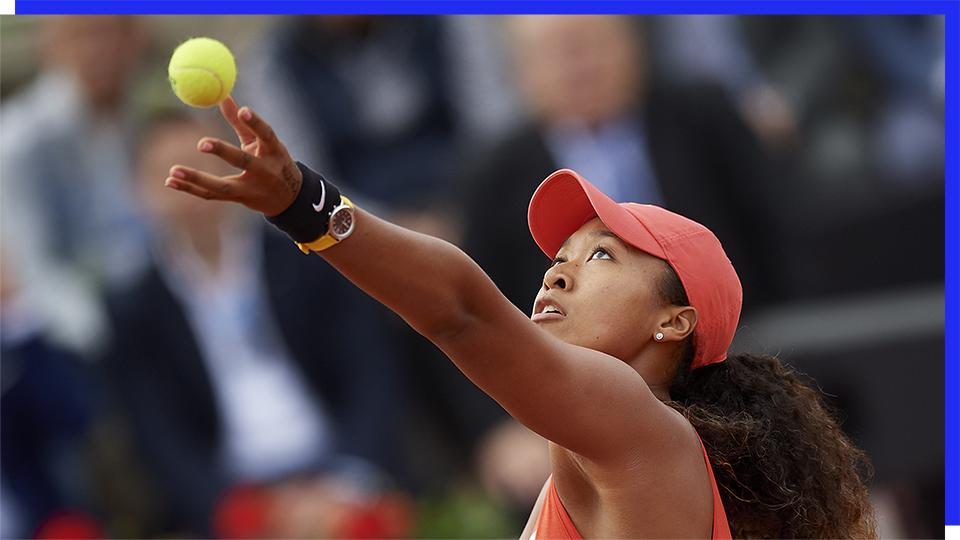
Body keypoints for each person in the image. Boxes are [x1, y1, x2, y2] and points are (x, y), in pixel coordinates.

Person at [162, 97, 877, 538]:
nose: (558, 268)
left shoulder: (637, 419)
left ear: (674, 322)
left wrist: (305, 206)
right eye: (562, 253)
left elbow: (464, 314)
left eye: (602, 258)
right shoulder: (601, 447)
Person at [104, 110, 407, 536]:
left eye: (205, 165)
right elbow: (159, 437)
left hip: (337, 471)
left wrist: (350, 479)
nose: (192, 187)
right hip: (233, 495)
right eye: (169, 176)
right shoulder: (135, 308)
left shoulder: (307, 257)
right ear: (139, 192)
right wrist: (238, 509)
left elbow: (369, 371)